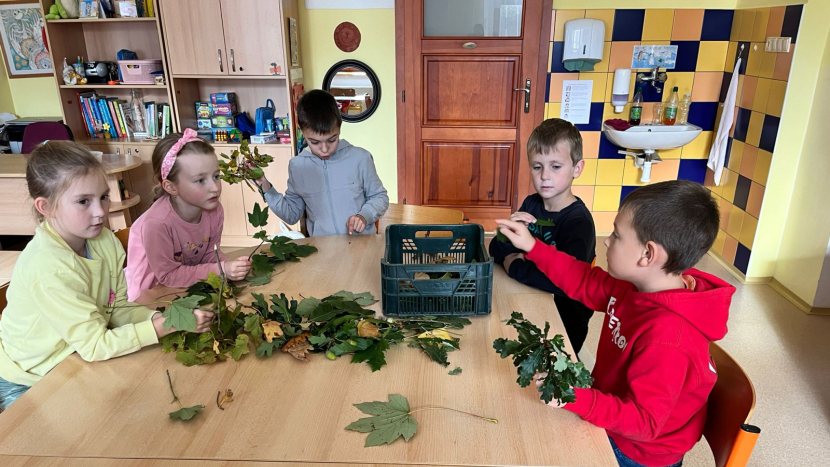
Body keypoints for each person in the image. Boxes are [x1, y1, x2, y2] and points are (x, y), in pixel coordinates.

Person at [496, 180, 735, 467]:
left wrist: (575, 398)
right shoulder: (636, 286)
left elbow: (644, 422)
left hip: (637, 452)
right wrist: (533, 247)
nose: (607, 241)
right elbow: (584, 280)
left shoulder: (668, 338)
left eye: (617, 235)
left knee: (530, 445)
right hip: (615, 413)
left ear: (648, 254)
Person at [0, 142, 214, 411]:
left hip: (74, 357)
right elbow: (95, 346)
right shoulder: (49, 267)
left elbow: (117, 308)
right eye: (83, 202)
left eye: (103, 196)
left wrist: (164, 318)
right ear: (46, 207)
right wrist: (166, 326)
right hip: (29, 376)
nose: (101, 211)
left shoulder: (103, 240)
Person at [489, 118, 596, 354]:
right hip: (528, 300)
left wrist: (515, 265)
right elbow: (496, 252)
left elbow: (565, 283)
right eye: (537, 167)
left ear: (577, 169)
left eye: (555, 166)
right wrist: (506, 236)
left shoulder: (578, 223)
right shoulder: (531, 203)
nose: (545, 176)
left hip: (566, 319)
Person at [125, 130, 251, 301]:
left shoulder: (214, 211)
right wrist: (222, 269)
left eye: (216, 176)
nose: (214, 187)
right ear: (170, 187)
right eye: (200, 180)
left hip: (189, 287)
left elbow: (208, 253)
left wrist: (231, 266)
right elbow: (168, 276)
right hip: (151, 298)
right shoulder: (156, 223)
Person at [253, 89, 389, 236]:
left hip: (361, 248)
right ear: (302, 131)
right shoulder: (298, 167)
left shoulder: (360, 158)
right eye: (315, 142)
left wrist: (364, 215)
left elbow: (379, 197)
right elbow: (291, 215)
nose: (325, 149)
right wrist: (265, 186)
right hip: (323, 251)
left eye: (332, 140)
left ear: (339, 126)